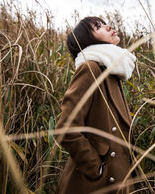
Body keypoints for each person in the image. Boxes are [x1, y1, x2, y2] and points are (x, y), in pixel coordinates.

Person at [55, 16, 136, 194]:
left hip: (119, 177)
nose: (108, 27)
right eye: (98, 26)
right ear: (87, 40)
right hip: (95, 184)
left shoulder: (111, 70)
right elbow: (66, 129)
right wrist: (96, 168)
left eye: (104, 22)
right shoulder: (91, 68)